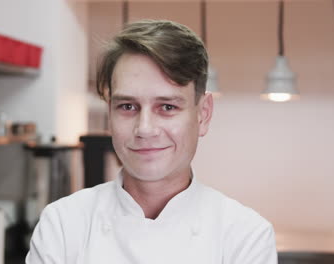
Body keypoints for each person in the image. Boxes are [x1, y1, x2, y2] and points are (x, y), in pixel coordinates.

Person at [26, 19, 277, 264]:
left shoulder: (245, 237)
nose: (144, 129)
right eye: (127, 106)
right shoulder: (63, 226)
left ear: (203, 114)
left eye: (167, 106)